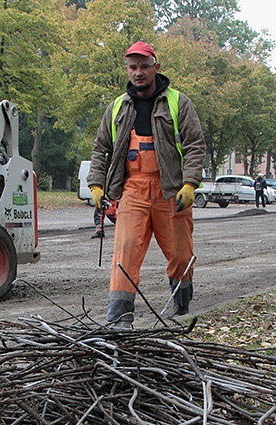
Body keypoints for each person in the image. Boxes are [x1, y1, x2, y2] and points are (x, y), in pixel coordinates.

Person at [87, 41, 206, 328]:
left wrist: (189, 184)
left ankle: (181, 307)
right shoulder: (117, 107)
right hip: (133, 191)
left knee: (180, 254)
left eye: (143, 66)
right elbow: (100, 148)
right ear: (127, 70)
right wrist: (96, 186)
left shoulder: (179, 102)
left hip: (170, 192)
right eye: (132, 67)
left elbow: (194, 146)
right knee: (125, 251)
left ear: (156, 66)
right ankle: (120, 319)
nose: (138, 72)